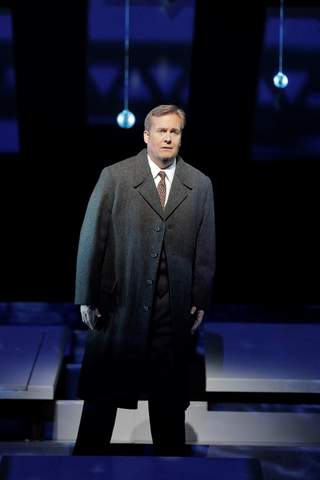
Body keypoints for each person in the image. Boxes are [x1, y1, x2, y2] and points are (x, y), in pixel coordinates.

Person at [72, 104, 216, 457]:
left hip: (172, 309)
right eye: (162, 131)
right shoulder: (117, 176)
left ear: (181, 137)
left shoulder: (199, 184)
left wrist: (200, 296)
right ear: (146, 136)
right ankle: (80, 470)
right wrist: (86, 295)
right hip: (119, 306)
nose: (168, 138)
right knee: (101, 401)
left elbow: (205, 246)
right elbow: (92, 239)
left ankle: (171, 469)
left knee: (168, 403)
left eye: (175, 132)